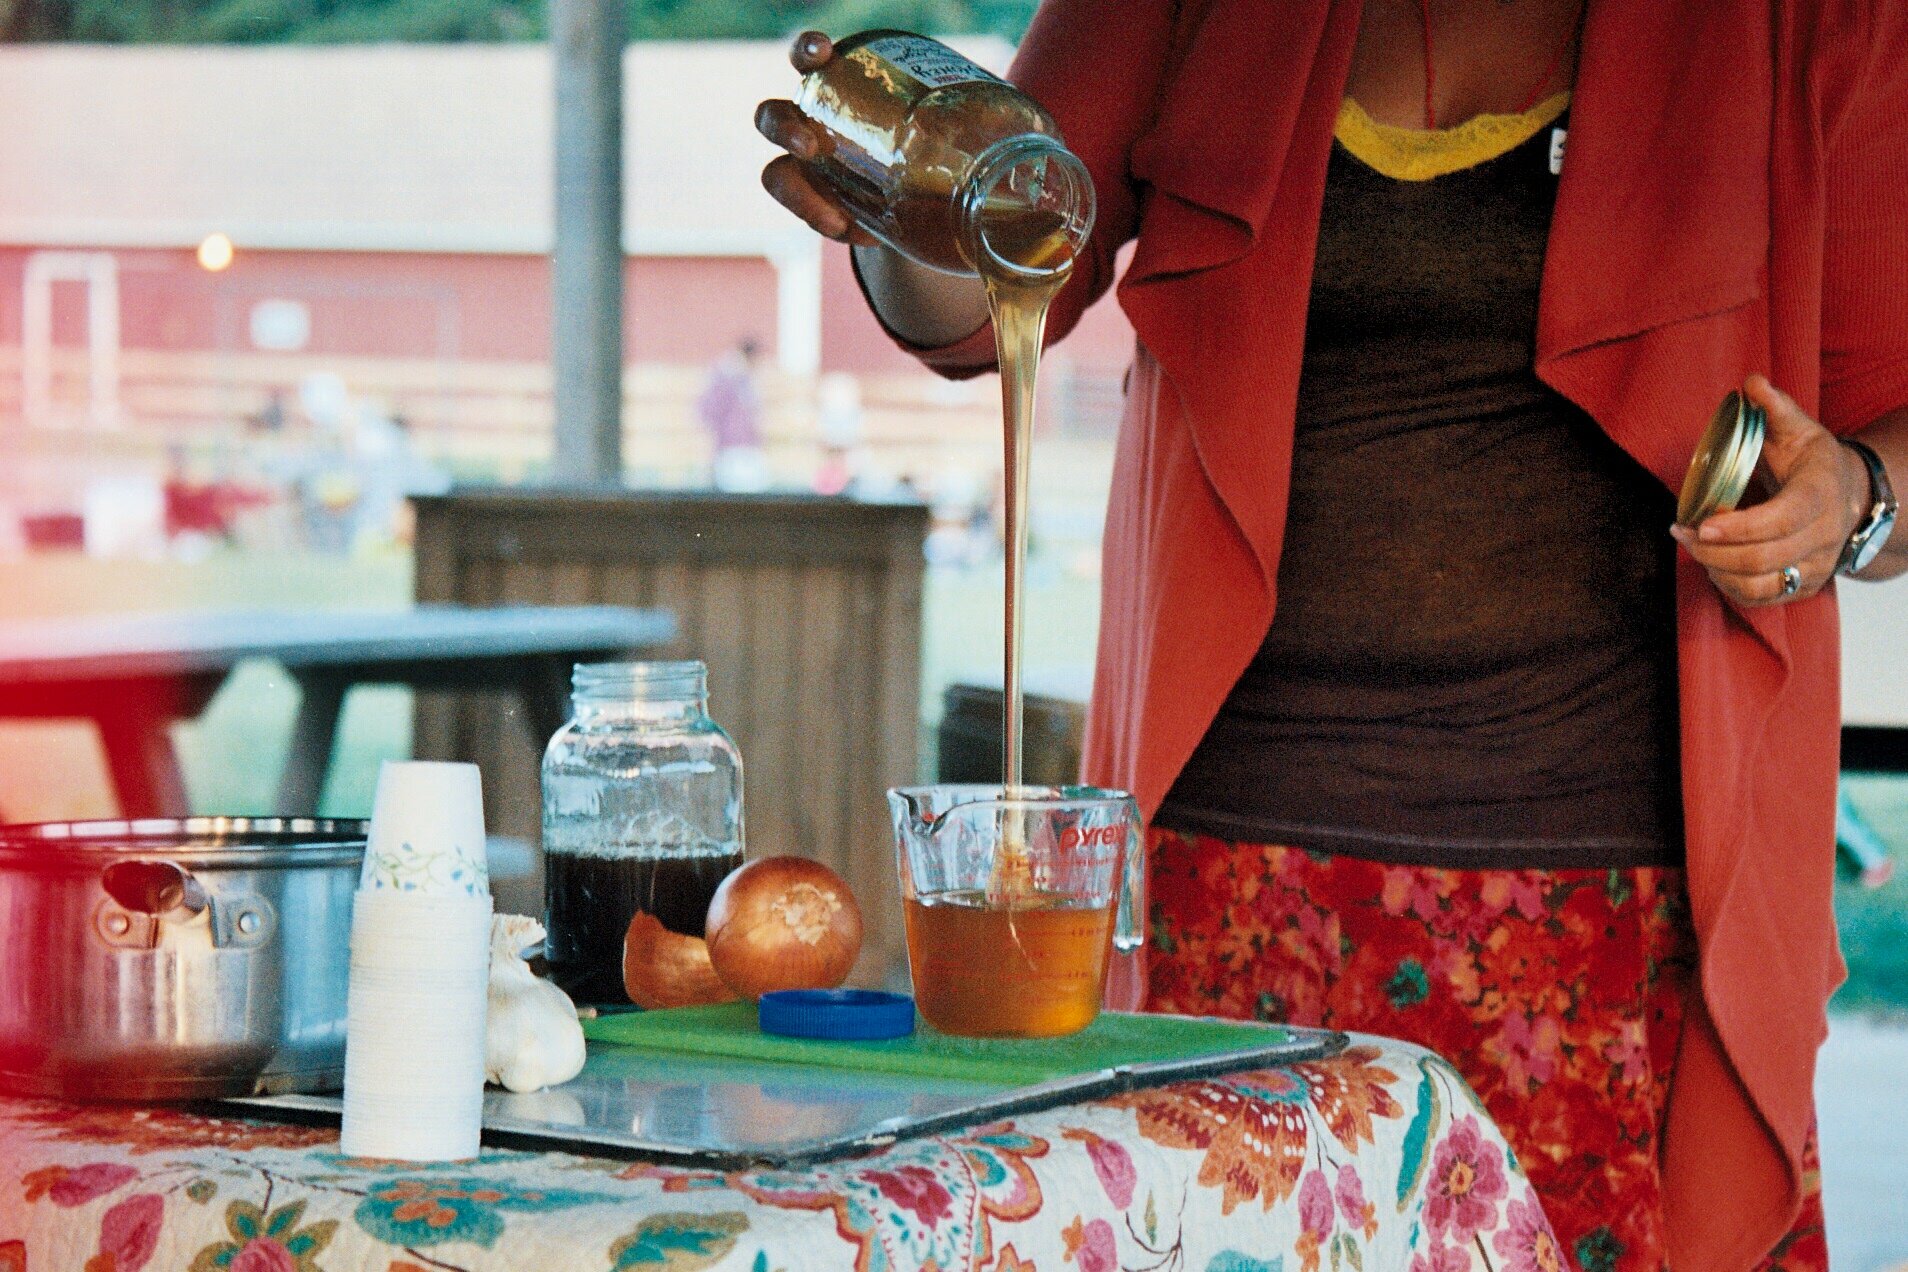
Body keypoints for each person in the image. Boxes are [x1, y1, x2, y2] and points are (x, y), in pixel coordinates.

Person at [759, 3, 1908, 1269]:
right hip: (1227, 877)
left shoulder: (1811, 23)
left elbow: (1888, 427)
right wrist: (892, 208)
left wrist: (1853, 498)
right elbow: (994, 284)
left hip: (1618, 916)